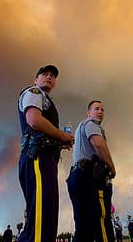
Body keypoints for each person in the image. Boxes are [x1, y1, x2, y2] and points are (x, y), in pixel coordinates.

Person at [18, 65, 75, 242]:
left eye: (52, 75)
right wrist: (62, 135)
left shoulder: (47, 101)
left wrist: (60, 141)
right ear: (36, 79)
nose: (49, 77)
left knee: (44, 215)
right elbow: (34, 120)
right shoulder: (34, 92)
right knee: (41, 220)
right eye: (44, 74)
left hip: (45, 159)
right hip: (38, 157)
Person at [67, 100, 116, 242]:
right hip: (91, 177)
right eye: (96, 109)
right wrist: (111, 167)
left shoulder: (79, 128)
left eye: (102, 109)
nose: (100, 112)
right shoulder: (90, 123)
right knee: (101, 221)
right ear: (89, 113)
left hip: (77, 177)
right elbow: (99, 144)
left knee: (83, 227)